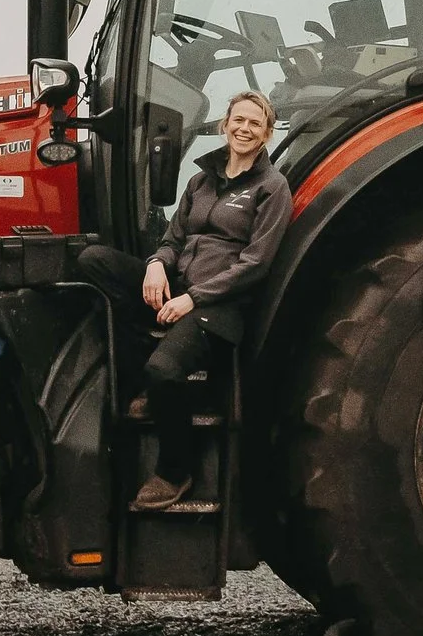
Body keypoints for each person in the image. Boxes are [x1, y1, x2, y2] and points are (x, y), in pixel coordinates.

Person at [77, 90, 291, 511]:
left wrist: (194, 299)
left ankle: (175, 471)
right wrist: (157, 263)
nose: (244, 129)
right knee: (94, 261)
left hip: (219, 306)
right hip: (178, 288)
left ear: (266, 133)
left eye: (255, 123)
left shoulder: (272, 188)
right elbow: (174, 238)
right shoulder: (200, 181)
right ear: (224, 125)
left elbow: (256, 264)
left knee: (164, 370)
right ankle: (145, 369)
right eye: (238, 120)